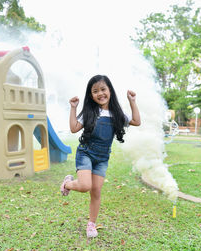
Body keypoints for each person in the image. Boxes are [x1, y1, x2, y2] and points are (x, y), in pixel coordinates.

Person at [60, 74, 141, 238]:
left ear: (109, 90)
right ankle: (67, 184)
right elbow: (74, 128)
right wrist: (73, 108)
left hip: (102, 158)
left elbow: (136, 121)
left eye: (103, 89)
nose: (100, 93)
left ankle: (91, 225)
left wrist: (132, 101)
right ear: (91, 95)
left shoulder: (117, 113)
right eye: (95, 91)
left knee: (96, 191)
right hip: (86, 153)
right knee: (84, 186)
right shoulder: (90, 112)